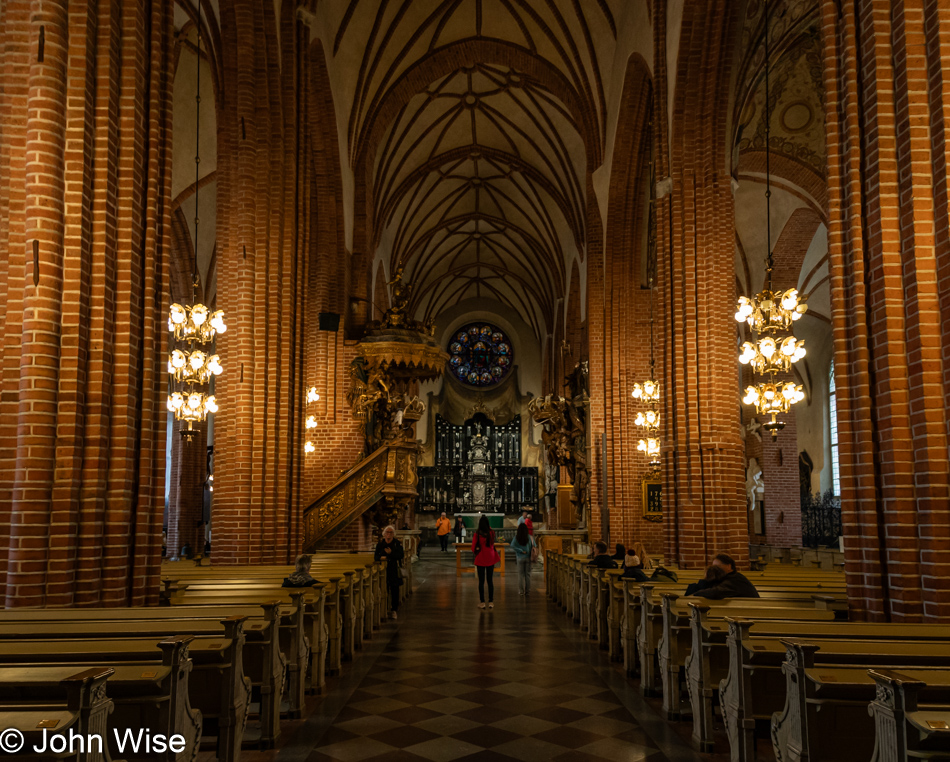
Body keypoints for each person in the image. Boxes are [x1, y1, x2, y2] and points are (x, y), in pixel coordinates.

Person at [691, 553, 759, 599]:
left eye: (717, 566)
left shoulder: (736, 580)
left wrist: (695, 594)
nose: (714, 570)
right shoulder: (726, 578)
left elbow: (716, 592)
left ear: (729, 566)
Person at [374, 525, 406, 618]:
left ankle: (394, 610)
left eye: (391, 532)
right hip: (383, 571)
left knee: (394, 590)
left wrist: (390, 553)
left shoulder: (397, 544)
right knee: (384, 589)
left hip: (394, 570)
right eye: (387, 532)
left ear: (393, 534)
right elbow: (376, 557)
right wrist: (381, 557)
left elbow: (400, 555)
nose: (389, 534)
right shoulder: (380, 544)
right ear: (384, 534)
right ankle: (383, 609)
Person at [471, 515, 498, 609]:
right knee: (490, 581)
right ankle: (491, 602)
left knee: (481, 581)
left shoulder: (477, 534)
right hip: (490, 557)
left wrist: (477, 553)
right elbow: (493, 542)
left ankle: (482, 602)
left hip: (481, 558)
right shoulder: (491, 533)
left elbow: (473, 547)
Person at [510, 522, 536, 596]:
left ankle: (521, 591)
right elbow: (534, 545)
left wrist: (520, 550)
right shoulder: (530, 537)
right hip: (528, 557)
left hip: (520, 557)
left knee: (520, 575)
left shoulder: (517, 537)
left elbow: (512, 545)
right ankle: (527, 591)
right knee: (527, 575)